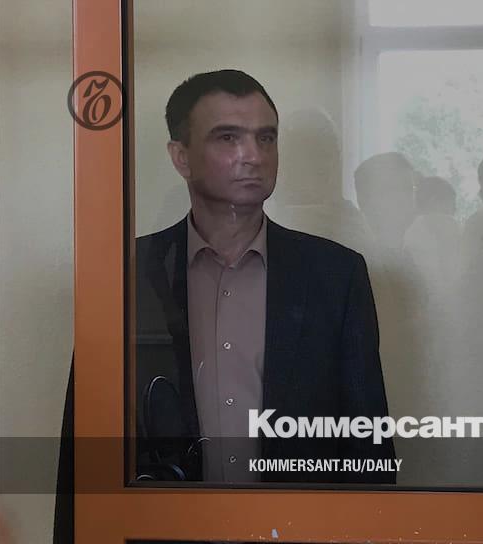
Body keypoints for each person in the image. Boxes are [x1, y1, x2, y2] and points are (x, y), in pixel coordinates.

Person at [55, 69, 395, 543]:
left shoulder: (336, 276)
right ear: (181, 157)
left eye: (266, 138)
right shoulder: (124, 274)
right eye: (228, 137)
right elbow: (84, 447)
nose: (253, 155)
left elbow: (367, 443)